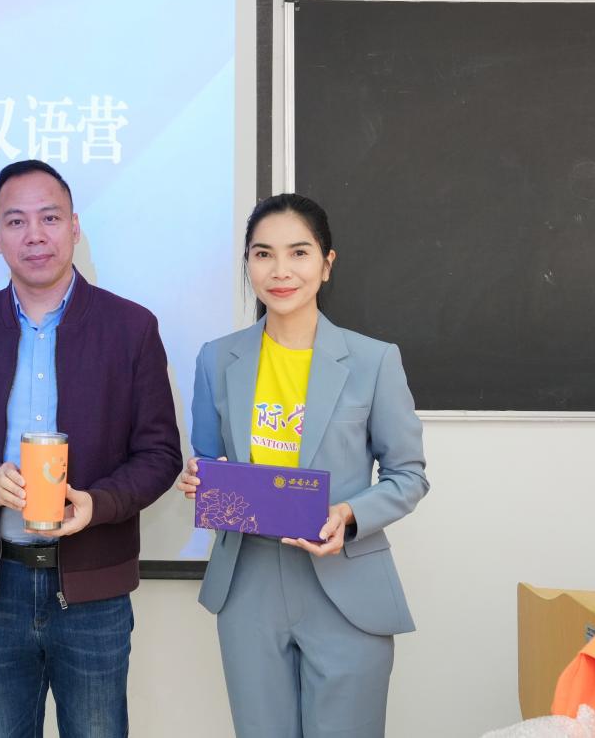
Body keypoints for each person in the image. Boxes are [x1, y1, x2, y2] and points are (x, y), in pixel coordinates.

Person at [0, 159, 182, 738]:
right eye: (16, 221)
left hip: (93, 592)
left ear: (75, 227)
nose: (34, 235)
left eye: (50, 218)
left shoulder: (131, 328)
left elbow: (160, 454)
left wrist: (98, 504)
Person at [178, 193, 429, 738]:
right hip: (248, 580)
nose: (280, 271)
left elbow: (409, 475)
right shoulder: (217, 359)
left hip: (345, 581)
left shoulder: (373, 360)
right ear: (248, 263)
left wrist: (349, 515)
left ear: (326, 263)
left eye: (298, 252)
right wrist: (198, 479)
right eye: (263, 254)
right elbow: (208, 460)